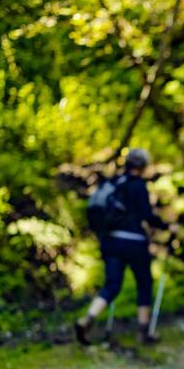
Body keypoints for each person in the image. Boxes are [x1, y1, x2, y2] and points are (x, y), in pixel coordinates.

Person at [75, 148, 167, 345]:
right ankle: (143, 332)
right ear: (142, 166)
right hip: (134, 242)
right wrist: (167, 226)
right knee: (144, 283)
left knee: (112, 285)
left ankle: (88, 318)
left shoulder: (113, 183)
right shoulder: (138, 186)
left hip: (110, 241)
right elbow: (147, 216)